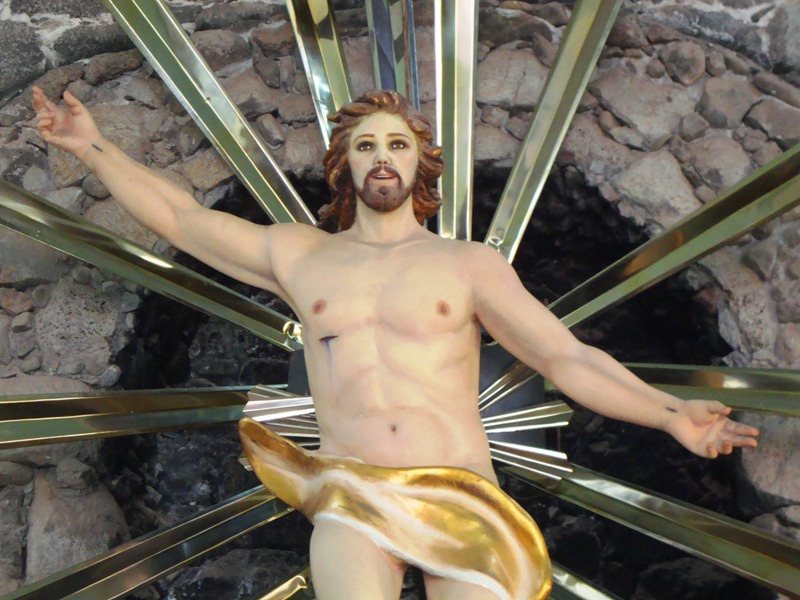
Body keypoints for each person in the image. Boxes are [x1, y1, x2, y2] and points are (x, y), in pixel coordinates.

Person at [33, 86, 759, 600]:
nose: (382, 157)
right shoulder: (302, 255)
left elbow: (563, 356)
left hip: (461, 495)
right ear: (345, 164)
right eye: (366, 145)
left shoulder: (466, 266)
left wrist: (670, 414)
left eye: (397, 144)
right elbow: (182, 220)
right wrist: (93, 146)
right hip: (349, 492)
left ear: (419, 163)